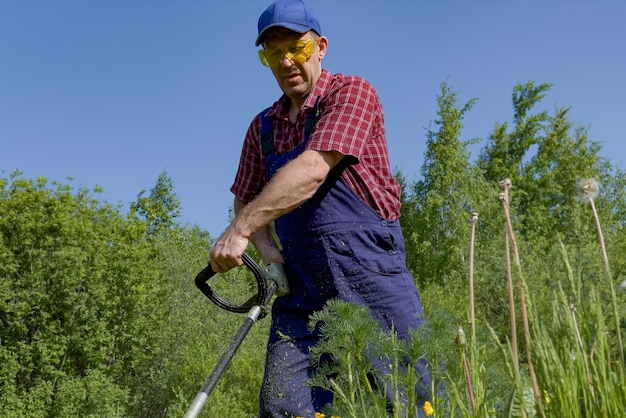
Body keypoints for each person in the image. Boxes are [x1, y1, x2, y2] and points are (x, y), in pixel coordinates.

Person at [209, 0, 433, 416]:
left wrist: (240, 230)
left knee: (407, 403)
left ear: (322, 46)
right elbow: (244, 193)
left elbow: (313, 169)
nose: (287, 60)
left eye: (298, 48)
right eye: (274, 53)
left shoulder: (351, 93)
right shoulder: (262, 127)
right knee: (283, 406)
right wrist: (265, 246)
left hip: (371, 280)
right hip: (303, 297)